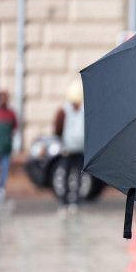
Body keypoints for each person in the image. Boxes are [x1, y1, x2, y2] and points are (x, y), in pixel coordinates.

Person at [53, 80, 85, 211]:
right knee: (68, 174)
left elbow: (57, 128)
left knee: (75, 175)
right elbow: (58, 127)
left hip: (77, 149)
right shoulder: (65, 111)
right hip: (70, 148)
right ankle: (66, 200)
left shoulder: (67, 110)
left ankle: (73, 200)